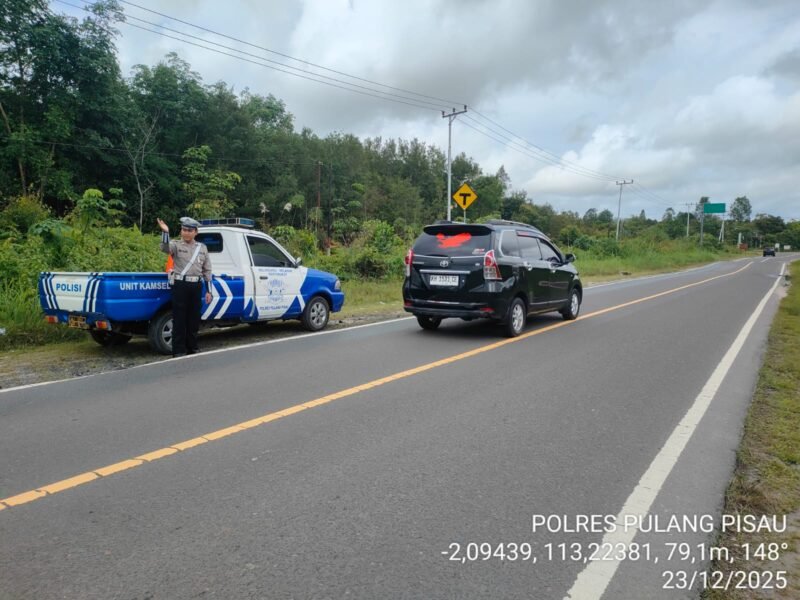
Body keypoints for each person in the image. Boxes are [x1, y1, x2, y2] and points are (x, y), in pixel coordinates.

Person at [157, 217, 213, 357]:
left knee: (193, 319)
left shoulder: (202, 248)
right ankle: (179, 350)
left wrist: (209, 291)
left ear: (196, 232)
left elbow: (207, 270)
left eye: (189, 230)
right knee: (179, 318)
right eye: (184, 230)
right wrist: (165, 232)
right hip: (180, 285)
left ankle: (192, 347)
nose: (186, 233)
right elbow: (164, 248)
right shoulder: (176, 245)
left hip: (196, 285)